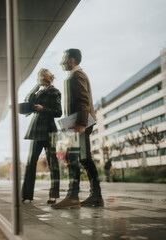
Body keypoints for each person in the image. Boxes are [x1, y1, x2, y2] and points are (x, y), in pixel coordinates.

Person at [52, 48, 104, 209]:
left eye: (64, 58)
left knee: (73, 158)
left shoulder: (77, 75)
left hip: (80, 124)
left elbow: (83, 101)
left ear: (72, 60)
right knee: (84, 158)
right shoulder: (74, 75)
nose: (62, 62)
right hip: (78, 124)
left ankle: (73, 196)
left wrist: (80, 124)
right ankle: (96, 196)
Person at [22, 68, 62, 204]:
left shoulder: (54, 91)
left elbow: (58, 112)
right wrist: (35, 86)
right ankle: (27, 194)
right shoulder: (39, 91)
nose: (39, 79)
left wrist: (43, 109)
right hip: (37, 130)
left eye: (40, 78)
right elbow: (27, 100)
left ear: (45, 78)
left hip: (49, 130)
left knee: (53, 163)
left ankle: (54, 195)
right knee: (31, 162)